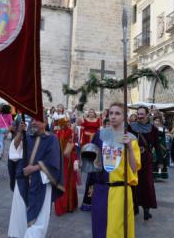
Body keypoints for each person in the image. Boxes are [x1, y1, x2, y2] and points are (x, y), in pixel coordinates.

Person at [7, 113, 64, 238]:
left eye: (38, 120)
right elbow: (14, 152)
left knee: (39, 219)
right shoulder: (27, 136)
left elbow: (54, 163)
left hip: (41, 183)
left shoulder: (52, 139)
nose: (33, 123)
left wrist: (35, 168)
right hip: (23, 182)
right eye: (32, 120)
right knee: (19, 216)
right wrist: (19, 133)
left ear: (45, 123)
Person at [89, 102, 141, 238]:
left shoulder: (131, 139)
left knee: (117, 231)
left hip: (120, 190)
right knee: (99, 229)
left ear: (124, 116)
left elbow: (134, 169)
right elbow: (92, 163)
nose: (113, 116)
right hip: (101, 189)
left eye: (117, 113)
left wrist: (129, 147)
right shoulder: (100, 135)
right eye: (111, 113)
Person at [128, 106, 160, 220]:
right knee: (134, 183)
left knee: (147, 185)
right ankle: (135, 207)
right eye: (138, 114)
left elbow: (157, 146)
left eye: (142, 114)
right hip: (133, 158)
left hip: (146, 159)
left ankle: (146, 210)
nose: (140, 116)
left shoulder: (153, 129)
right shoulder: (131, 127)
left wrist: (160, 161)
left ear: (147, 115)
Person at [54, 119, 78, 216]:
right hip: (62, 160)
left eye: (68, 124)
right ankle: (65, 206)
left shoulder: (69, 132)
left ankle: (69, 205)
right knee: (64, 182)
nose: (67, 125)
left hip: (68, 161)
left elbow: (73, 146)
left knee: (69, 182)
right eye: (65, 124)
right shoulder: (59, 133)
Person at [153, 116, 169, 180]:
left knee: (160, 159)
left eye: (158, 121)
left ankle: (159, 174)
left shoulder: (163, 129)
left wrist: (164, 146)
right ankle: (153, 175)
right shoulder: (151, 128)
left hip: (161, 146)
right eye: (156, 120)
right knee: (153, 159)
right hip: (153, 146)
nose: (157, 122)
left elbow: (164, 138)